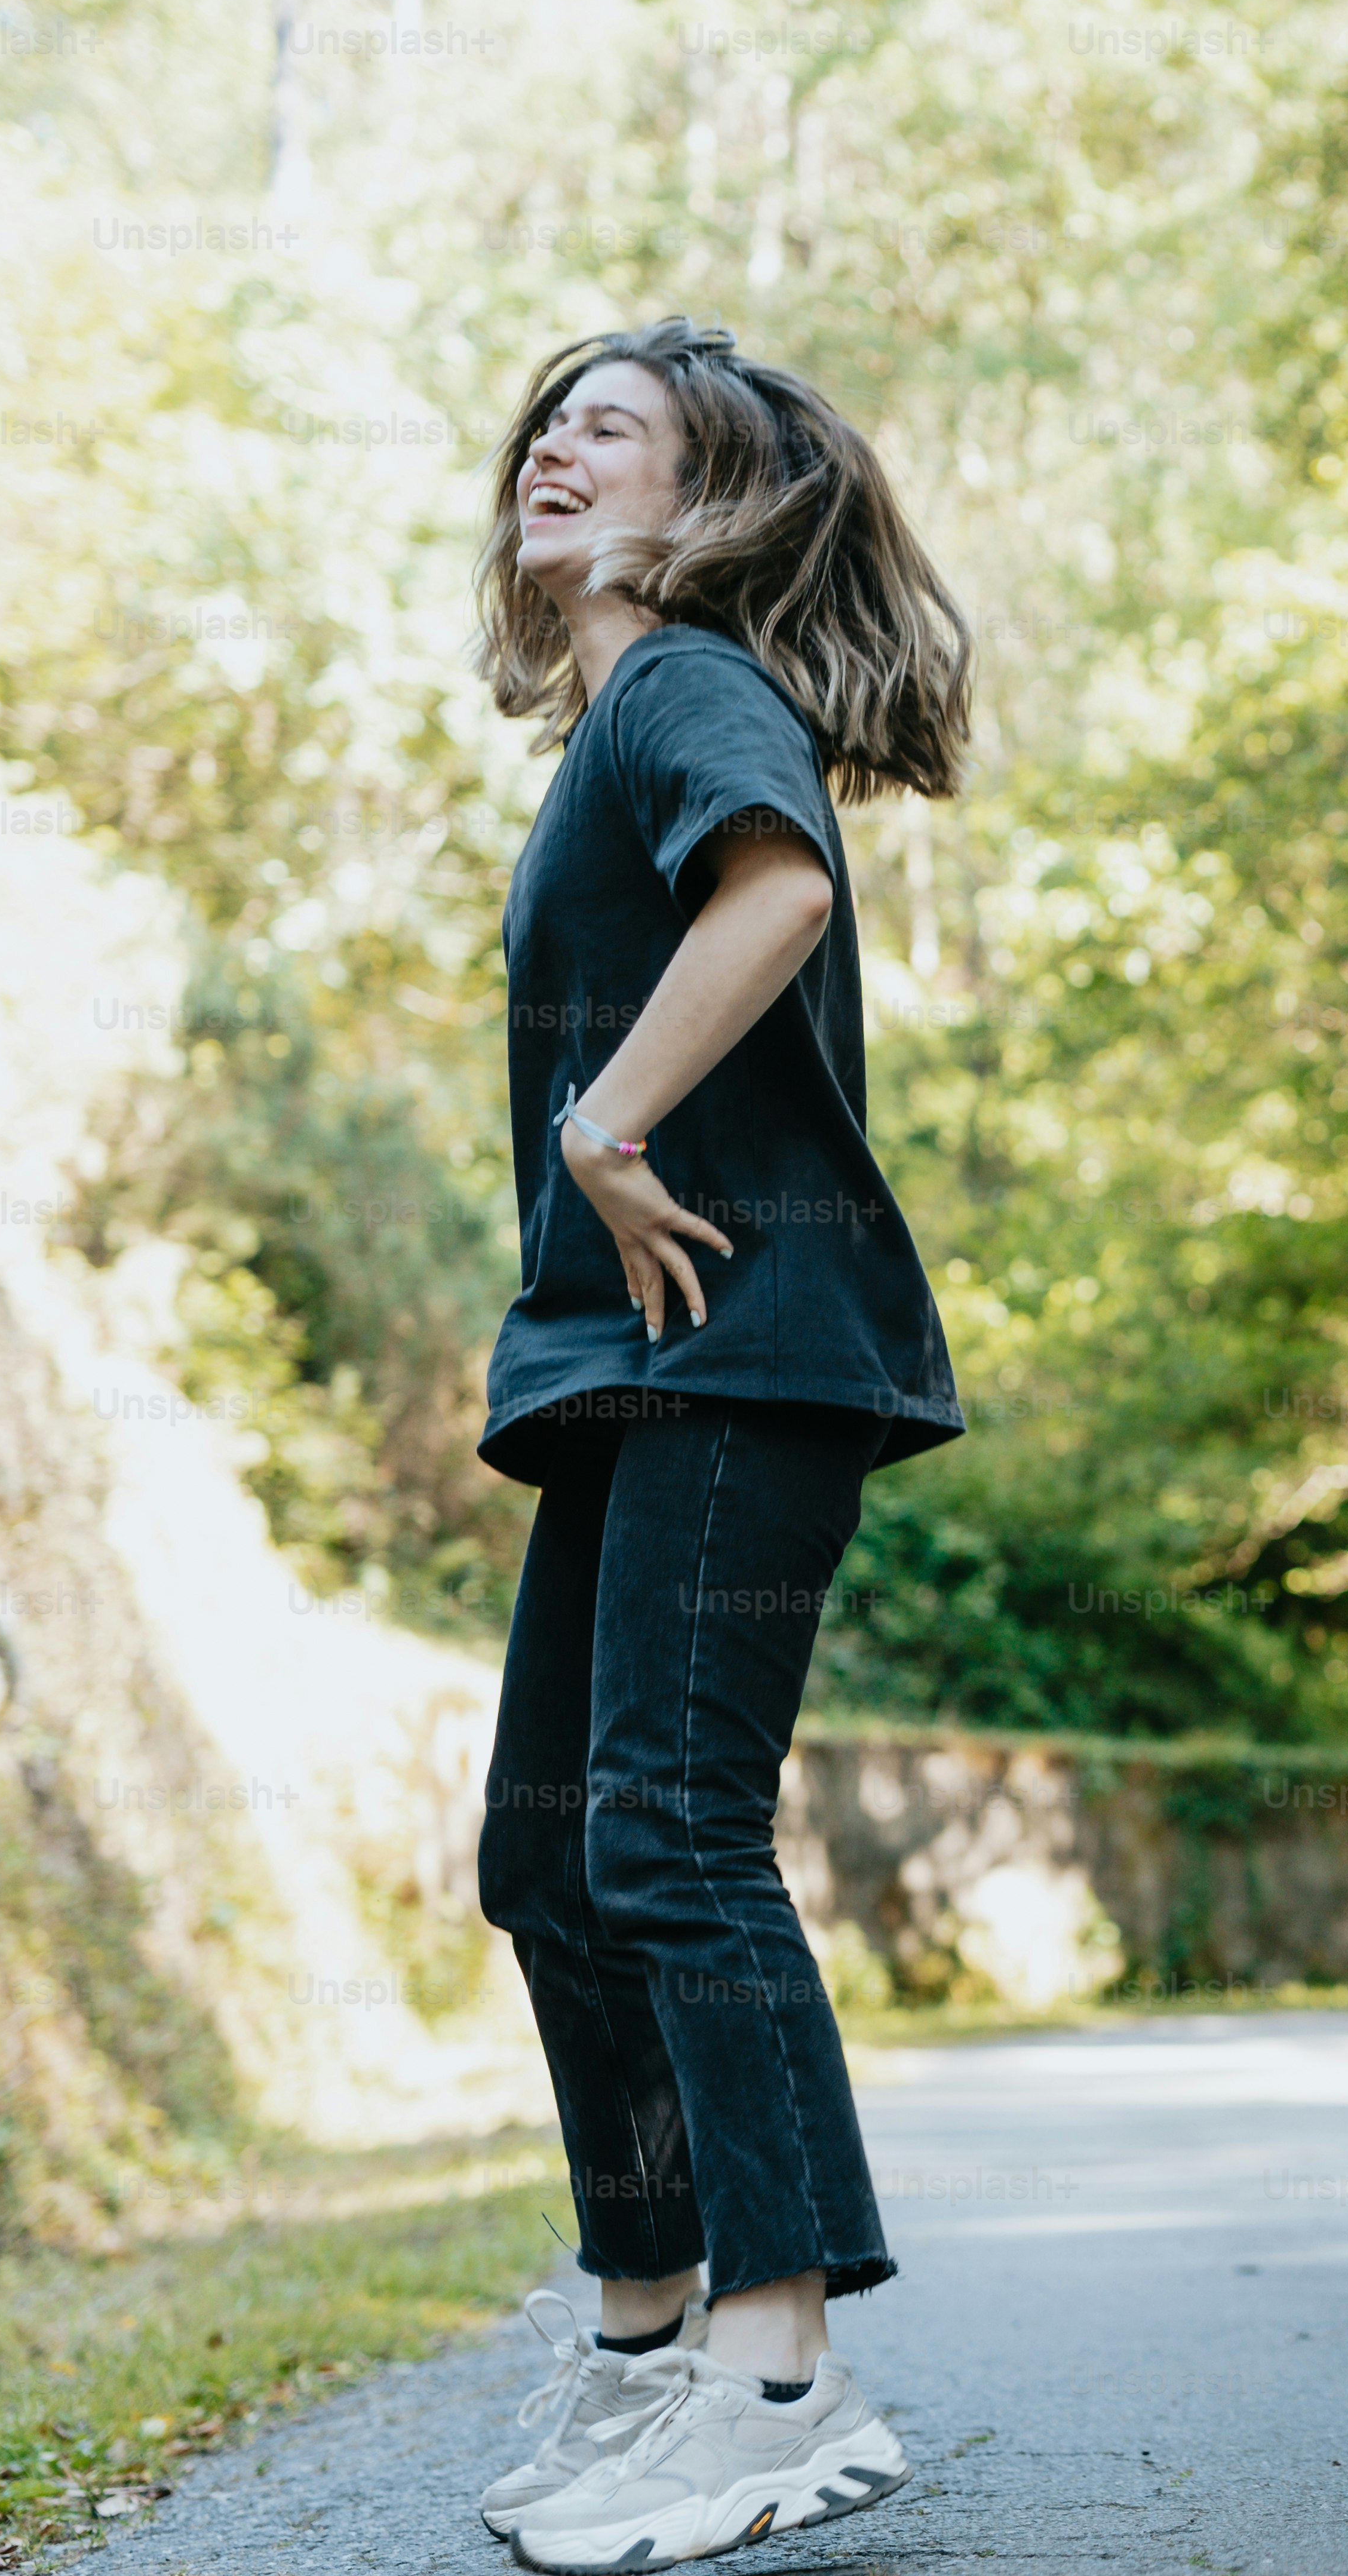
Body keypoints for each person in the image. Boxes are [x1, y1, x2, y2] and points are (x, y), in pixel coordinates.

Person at [463, 317, 969, 2572]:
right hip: (648, 1360)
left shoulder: (682, 682)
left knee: (664, 1833)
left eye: (621, 432)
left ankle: (778, 2378)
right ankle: (649, 2336)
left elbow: (782, 890)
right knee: (549, 1851)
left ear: (719, 501)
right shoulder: (616, 720)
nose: (562, 450)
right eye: (549, 425)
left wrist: (606, 1114)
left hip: (740, 1344)